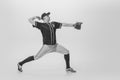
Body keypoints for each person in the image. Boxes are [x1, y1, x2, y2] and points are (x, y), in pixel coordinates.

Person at [17, 12, 82, 73]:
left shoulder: (53, 23)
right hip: (46, 47)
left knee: (66, 52)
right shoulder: (41, 25)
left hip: (55, 46)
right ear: (44, 18)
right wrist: (35, 17)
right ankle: (20, 63)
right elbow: (30, 20)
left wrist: (73, 25)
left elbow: (63, 24)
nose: (49, 16)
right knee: (36, 57)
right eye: (47, 15)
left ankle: (68, 68)